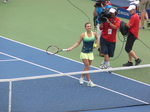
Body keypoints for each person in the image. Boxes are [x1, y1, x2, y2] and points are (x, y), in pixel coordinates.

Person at [67, 22, 99, 87]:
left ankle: (81, 77)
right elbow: (78, 43)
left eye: (90, 26)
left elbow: (97, 39)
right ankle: (89, 81)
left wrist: (96, 45)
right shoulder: (83, 35)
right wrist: (71, 48)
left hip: (90, 53)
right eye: (88, 26)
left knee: (87, 67)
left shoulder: (94, 34)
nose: (89, 27)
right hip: (84, 53)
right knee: (87, 66)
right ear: (85, 28)